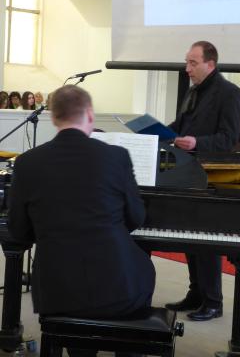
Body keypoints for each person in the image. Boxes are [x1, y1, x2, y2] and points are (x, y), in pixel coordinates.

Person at [8, 85, 155, 357]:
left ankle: (80, 349)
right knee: (143, 270)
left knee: (78, 313)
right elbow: (136, 218)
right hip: (116, 288)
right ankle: (127, 347)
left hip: (57, 291)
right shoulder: (116, 157)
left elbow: (18, 232)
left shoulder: (27, 163)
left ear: (53, 118)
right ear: (89, 114)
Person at [165, 41, 240, 321]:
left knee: (204, 239)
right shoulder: (194, 90)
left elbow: (229, 138)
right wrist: (157, 131)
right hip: (186, 173)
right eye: (187, 62)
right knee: (189, 236)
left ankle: (213, 301)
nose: (187, 69)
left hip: (211, 176)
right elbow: (180, 127)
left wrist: (197, 142)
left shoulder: (229, 93)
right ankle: (196, 293)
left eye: (193, 63)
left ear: (211, 64)